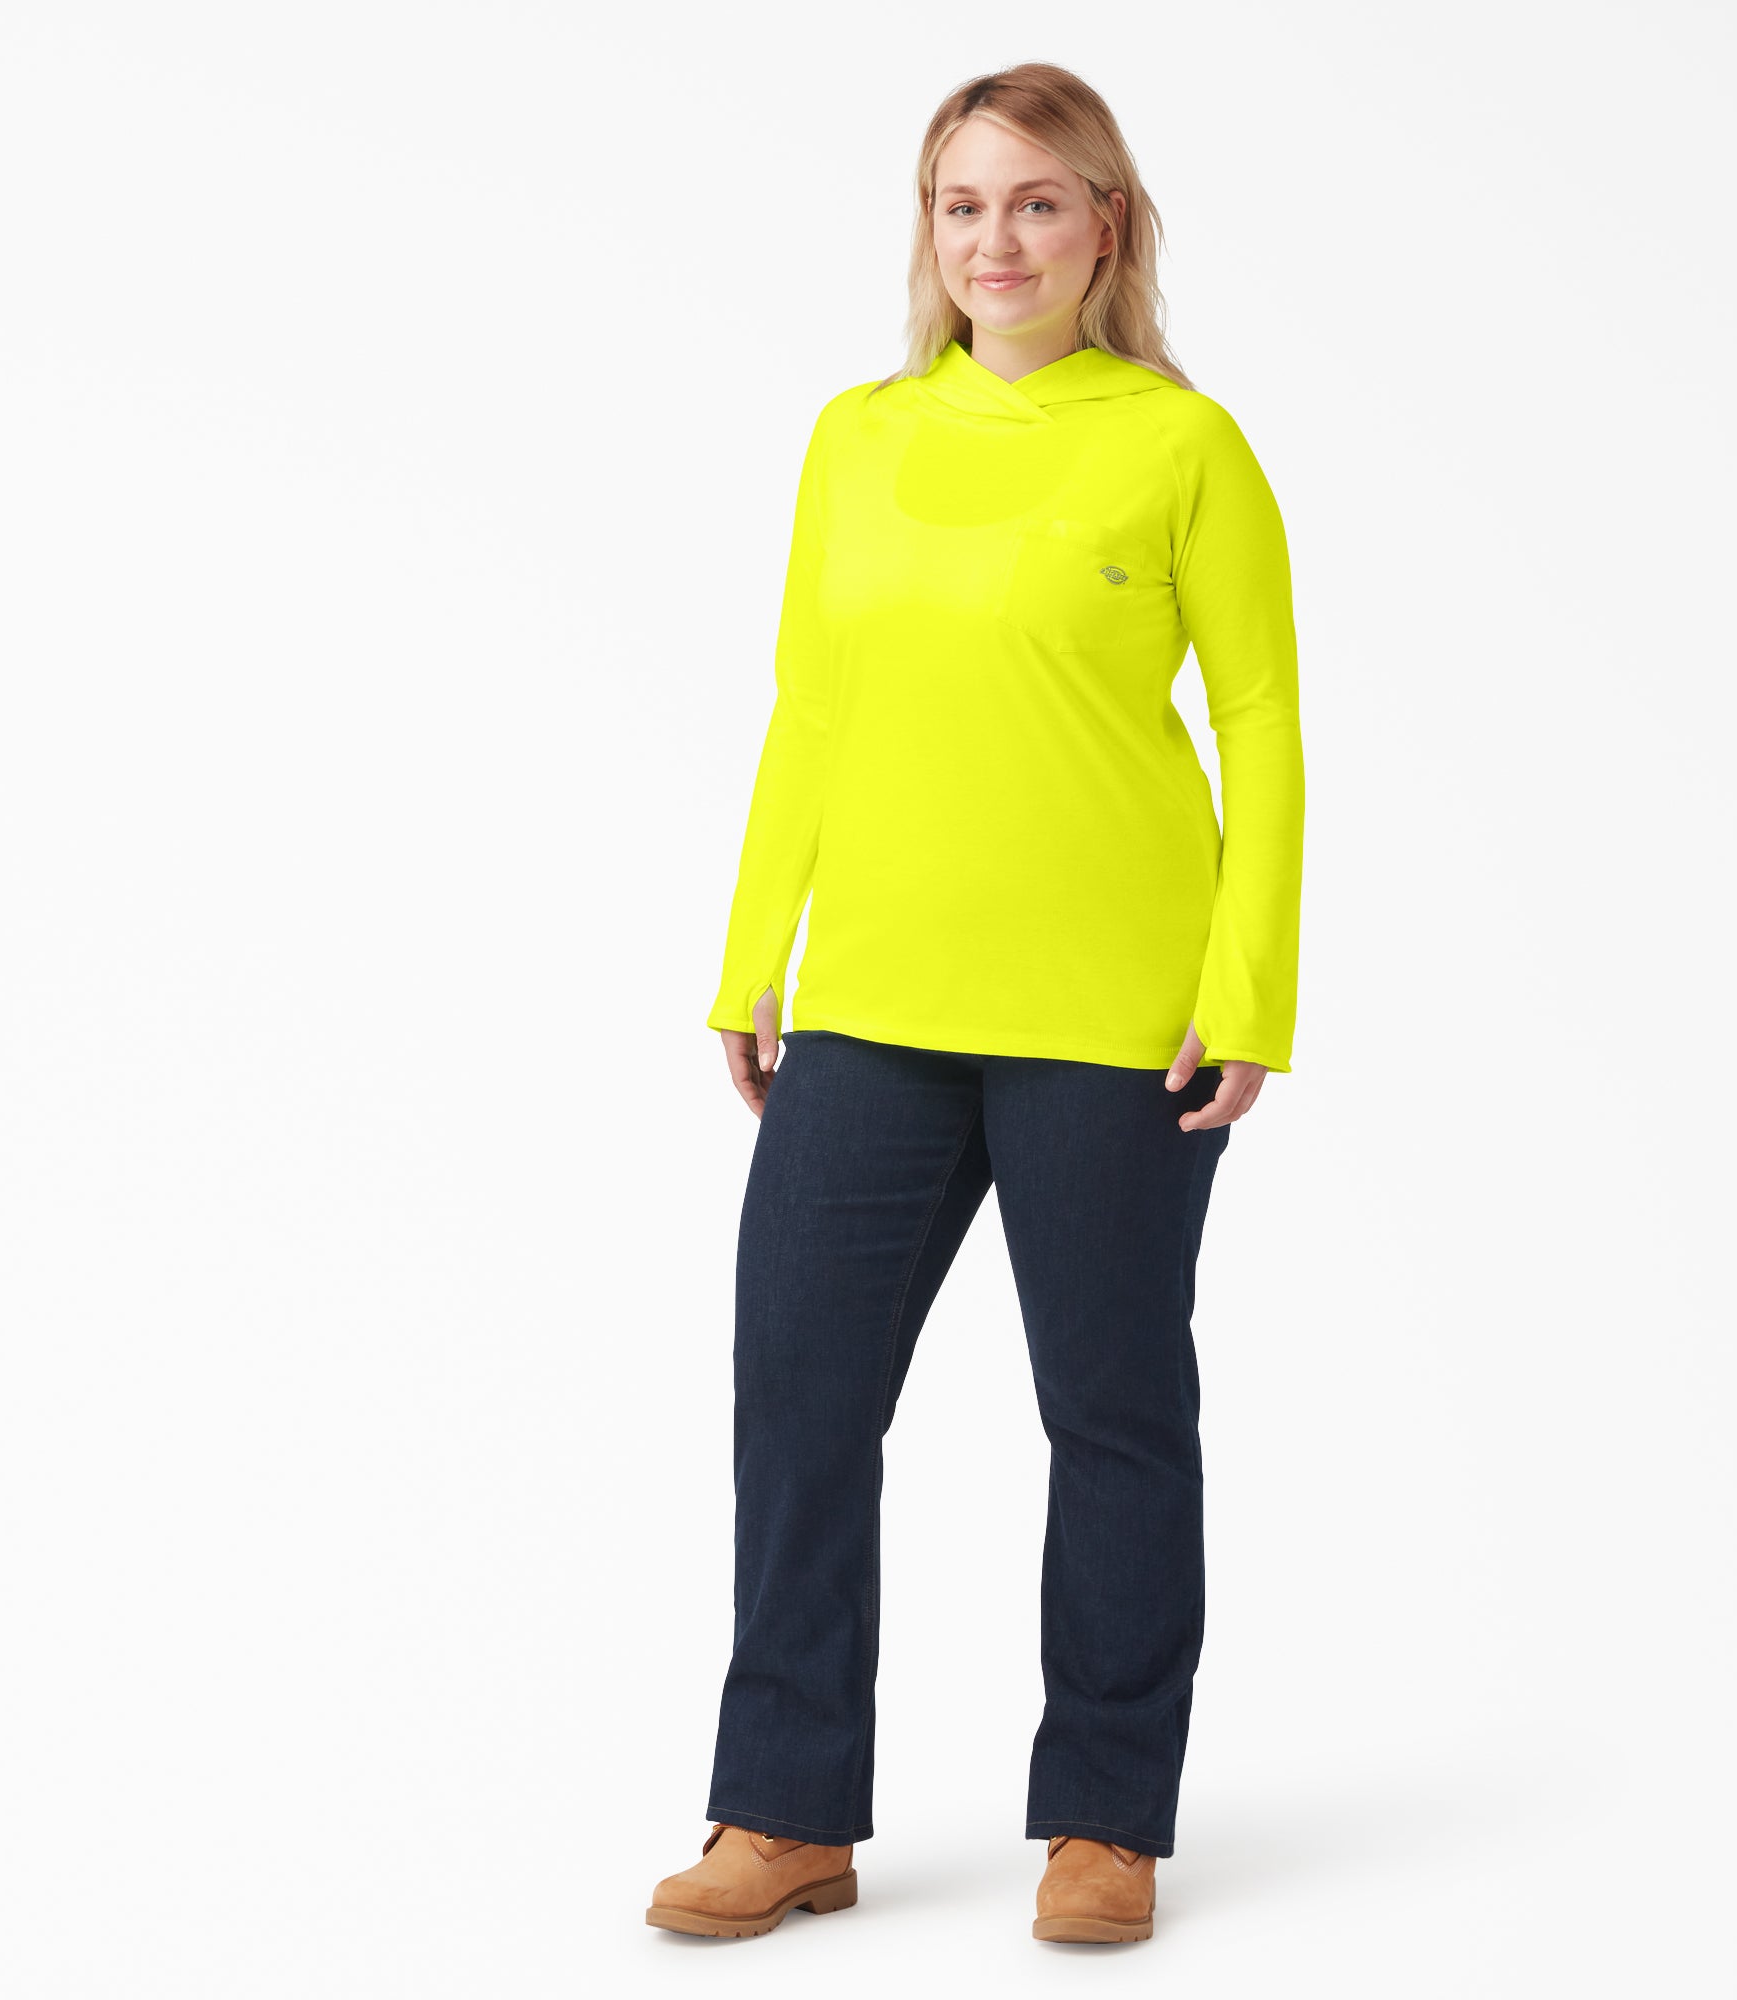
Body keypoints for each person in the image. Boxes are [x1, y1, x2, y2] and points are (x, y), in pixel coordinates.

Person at [645, 60, 1305, 1946]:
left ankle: (1106, 1819)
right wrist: (753, 953)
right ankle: (784, 1813)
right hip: (876, 1003)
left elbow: (1261, 724)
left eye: (1037, 201)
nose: (995, 239)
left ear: (1108, 226)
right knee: (799, 1393)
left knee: (1111, 1412)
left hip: (1116, 1016)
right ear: (927, 229)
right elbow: (812, 707)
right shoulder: (854, 438)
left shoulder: (1184, 446)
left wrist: (1249, 986)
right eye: (964, 204)